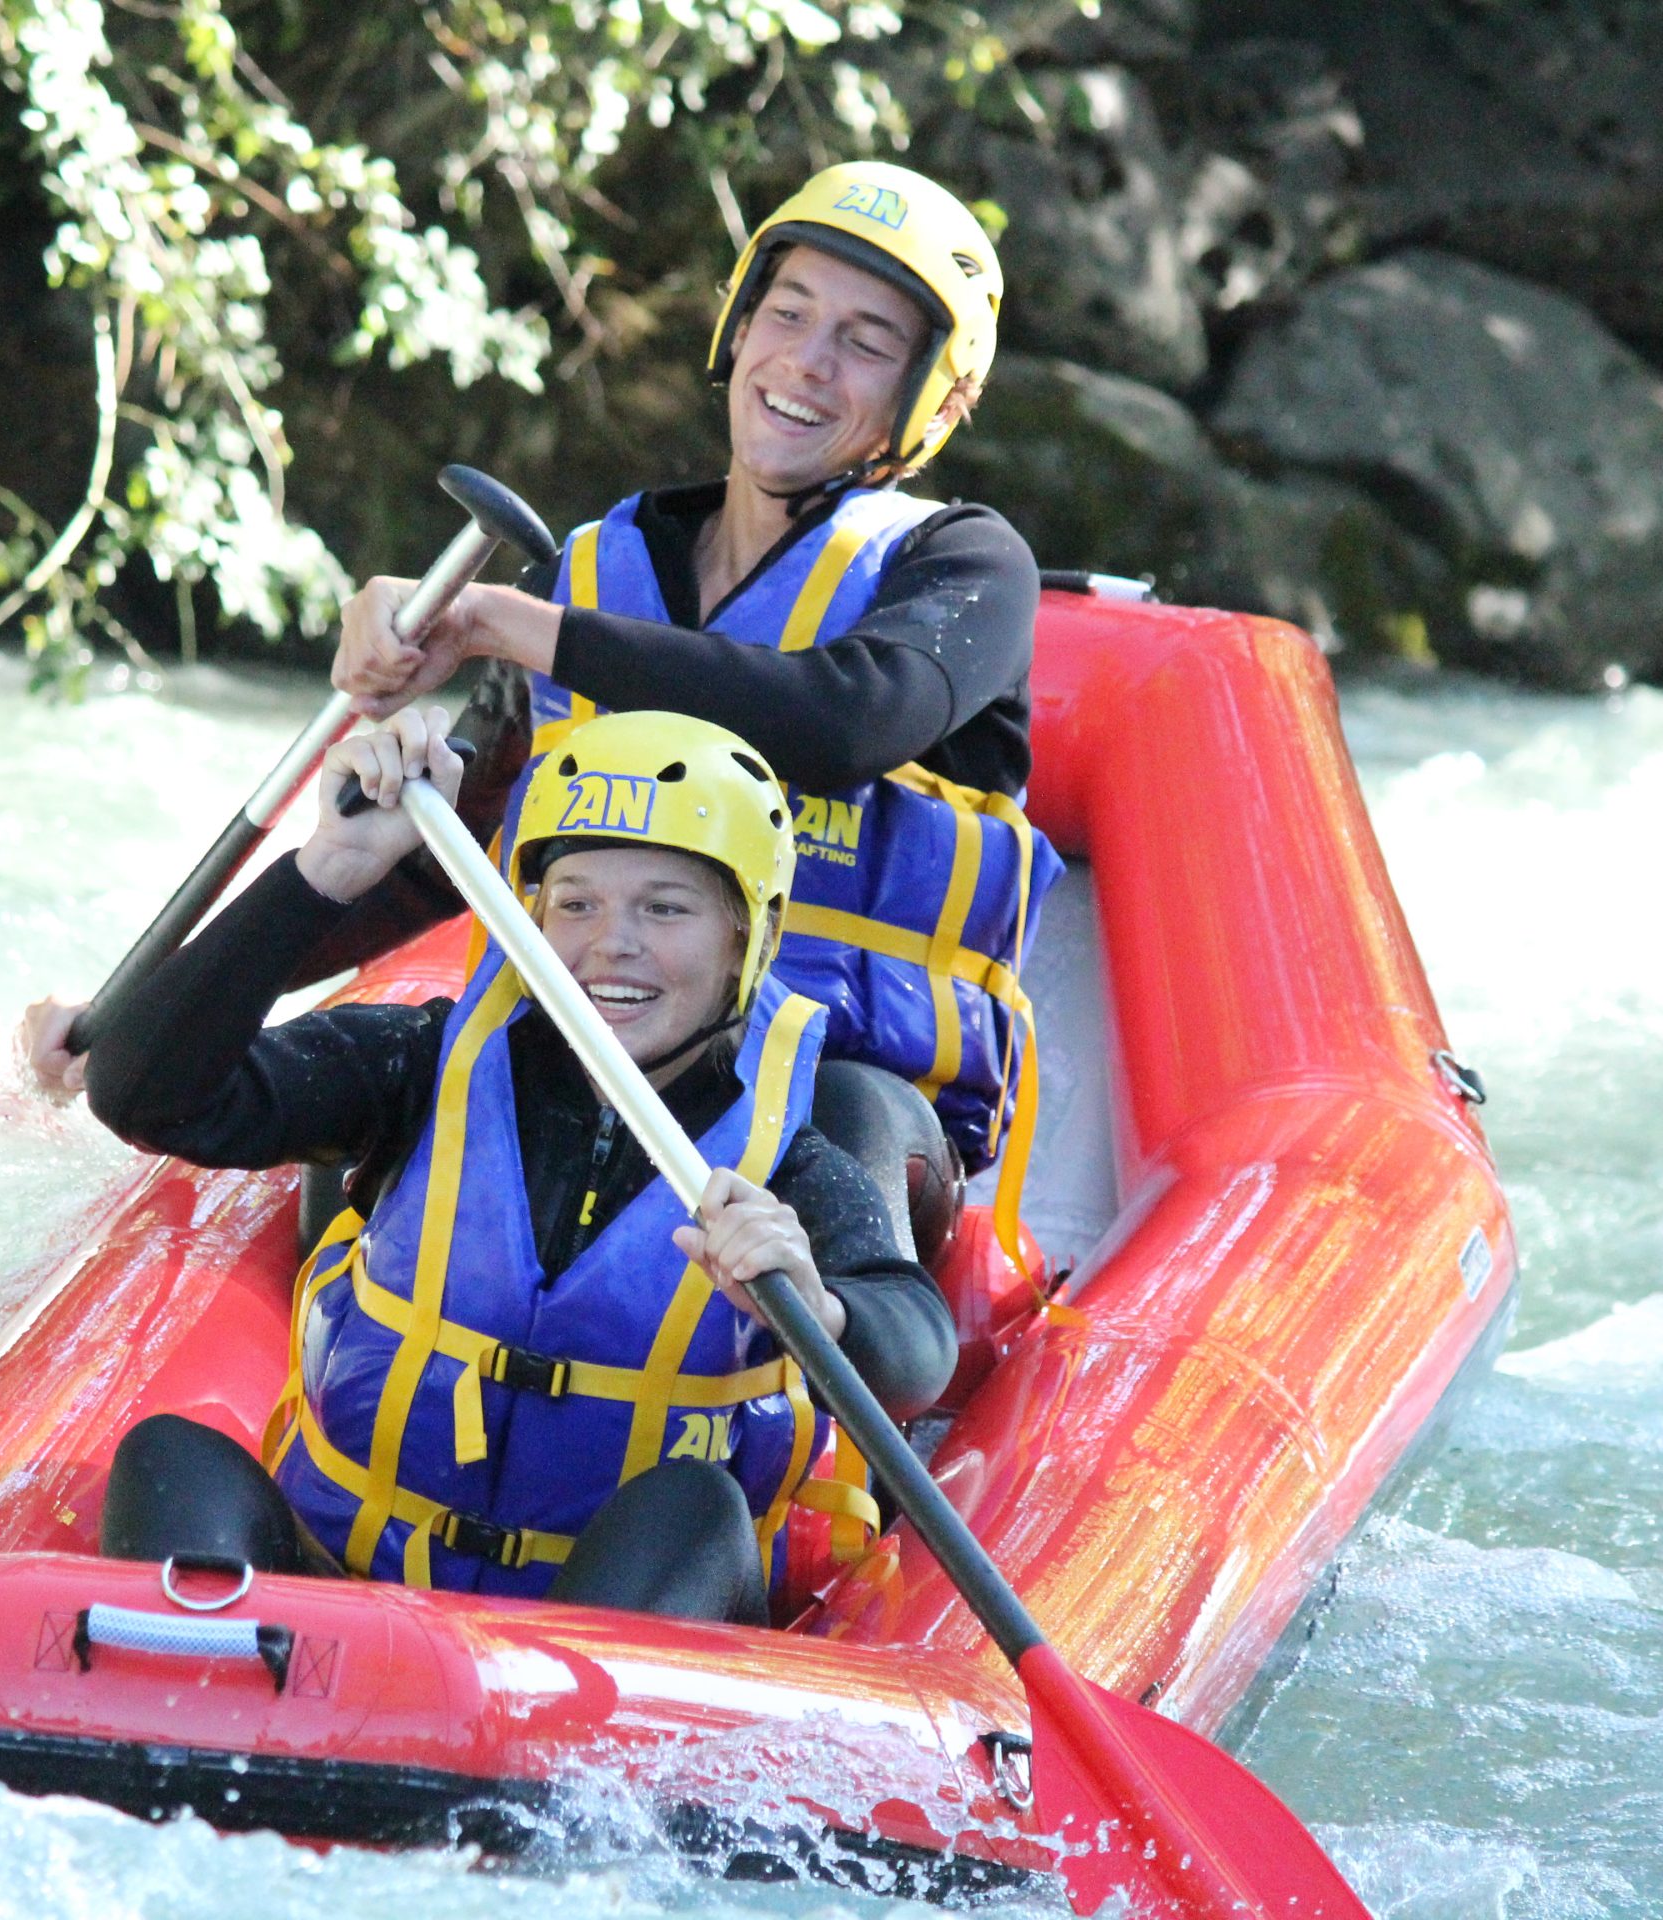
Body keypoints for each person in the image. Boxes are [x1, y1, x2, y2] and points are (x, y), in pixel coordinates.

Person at [80, 704, 956, 1622]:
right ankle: (205, 1698)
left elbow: (919, 1352)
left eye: (666, 907)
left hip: (597, 1641)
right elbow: (145, 1093)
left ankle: (549, 1751)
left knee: (694, 1511)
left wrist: (817, 1305)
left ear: (748, 936)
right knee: (169, 1455)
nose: (612, 942)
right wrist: (319, 879)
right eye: (576, 903)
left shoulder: (780, 1165)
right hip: (343, 1607)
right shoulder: (421, 1067)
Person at [321, 160, 1058, 1212]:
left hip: (842, 1094)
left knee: (848, 1136)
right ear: (739, 328)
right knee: (386, 1116)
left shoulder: (969, 566)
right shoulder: (595, 572)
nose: (806, 362)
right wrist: (162, 1010)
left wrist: (498, 621)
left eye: (867, 342)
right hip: (590, 1047)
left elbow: (845, 720)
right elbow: (447, 847)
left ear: (936, 396)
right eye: (787, 312)